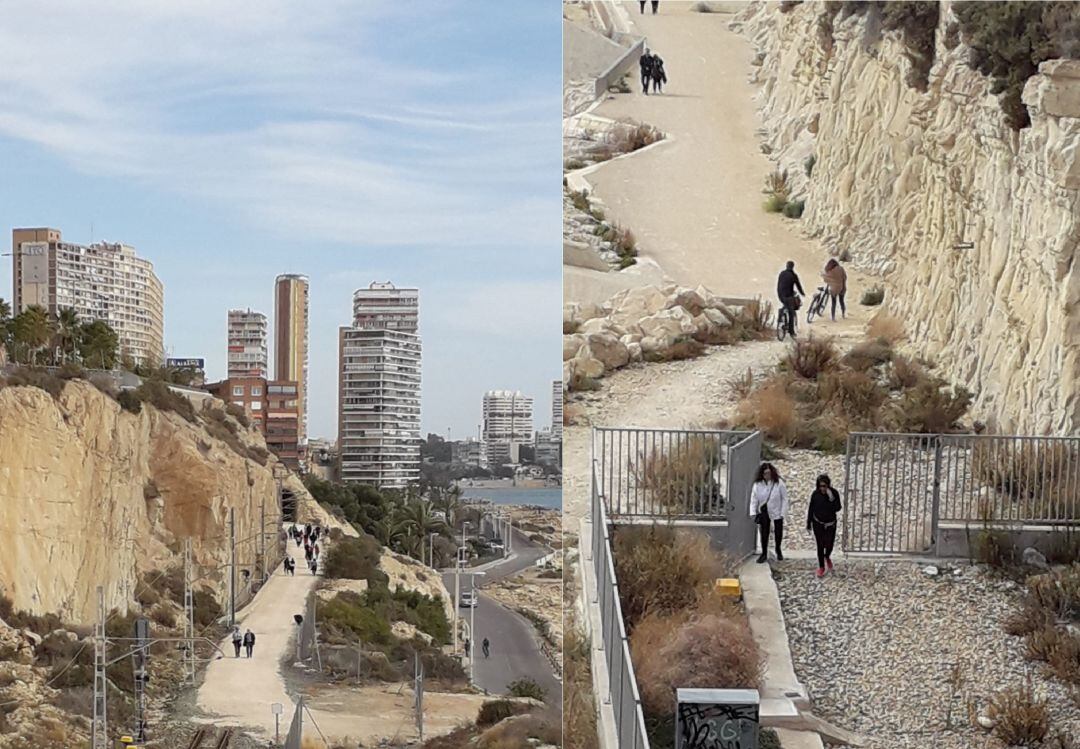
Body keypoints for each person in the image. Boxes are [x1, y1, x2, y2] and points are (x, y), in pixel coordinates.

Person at [749, 462, 789, 563]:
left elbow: (785, 498)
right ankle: (764, 553)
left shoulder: (779, 483)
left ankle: (778, 549)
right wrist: (753, 512)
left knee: (778, 532)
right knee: (764, 532)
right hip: (763, 510)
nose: (767, 475)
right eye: (765, 473)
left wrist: (783, 512)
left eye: (769, 473)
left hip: (777, 510)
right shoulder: (757, 485)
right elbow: (753, 499)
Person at [807, 474, 842, 577]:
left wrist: (831, 498)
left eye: (824, 486)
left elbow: (838, 508)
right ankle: (821, 566)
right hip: (818, 523)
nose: (822, 488)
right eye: (820, 486)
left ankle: (827, 556)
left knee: (830, 544)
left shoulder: (834, 493)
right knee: (820, 545)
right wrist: (808, 523)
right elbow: (811, 509)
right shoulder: (815, 494)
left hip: (830, 524)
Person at [776, 260, 805, 337]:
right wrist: (802, 293)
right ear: (792, 267)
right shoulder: (793, 275)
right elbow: (798, 286)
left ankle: (780, 317)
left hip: (780, 295)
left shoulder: (781, 273)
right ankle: (791, 331)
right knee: (791, 312)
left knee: (785, 304)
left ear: (786, 266)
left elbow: (779, 284)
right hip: (789, 296)